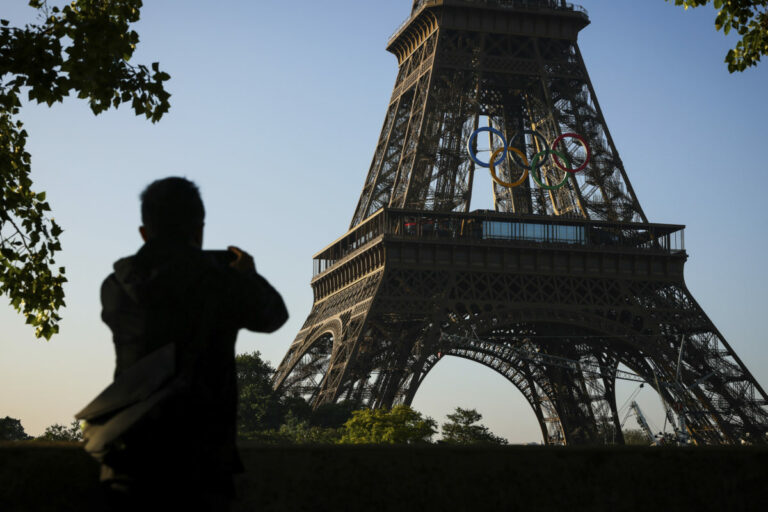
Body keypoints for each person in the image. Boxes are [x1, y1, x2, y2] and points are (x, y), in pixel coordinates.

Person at [98, 177, 288, 511]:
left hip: (130, 459)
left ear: (145, 232)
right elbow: (274, 317)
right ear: (199, 230)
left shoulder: (115, 286)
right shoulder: (221, 282)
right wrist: (246, 275)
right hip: (202, 463)